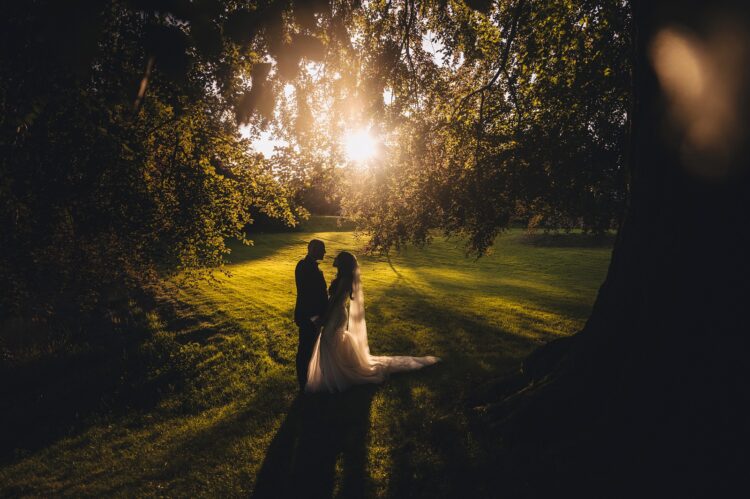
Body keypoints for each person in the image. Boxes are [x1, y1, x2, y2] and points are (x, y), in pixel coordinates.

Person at [306, 251, 440, 393]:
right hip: (338, 313)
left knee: (327, 340)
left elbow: (333, 302)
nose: (335, 258)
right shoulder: (343, 277)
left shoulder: (345, 279)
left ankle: (336, 376)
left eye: (338, 257)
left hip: (336, 314)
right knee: (332, 342)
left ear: (343, 262)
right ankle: (336, 372)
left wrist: (323, 319)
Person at [294, 239, 328, 391]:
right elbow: (306, 294)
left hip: (314, 317)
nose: (325, 252)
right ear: (312, 249)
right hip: (308, 317)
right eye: (322, 249)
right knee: (305, 350)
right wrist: (314, 316)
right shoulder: (303, 266)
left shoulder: (313, 267)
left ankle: (309, 379)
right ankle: (303, 383)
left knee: (311, 348)